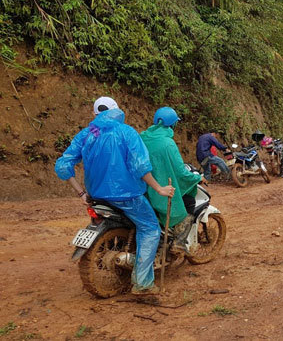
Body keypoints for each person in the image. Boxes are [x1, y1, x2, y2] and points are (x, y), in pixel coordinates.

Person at [55, 97, 175, 295]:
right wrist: (159, 189)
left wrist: (81, 192)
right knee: (150, 228)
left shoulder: (87, 134)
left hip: (97, 197)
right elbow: (140, 166)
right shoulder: (127, 132)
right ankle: (143, 284)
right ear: (117, 111)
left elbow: (63, 165)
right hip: (127, 196)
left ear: (94, 114)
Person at [141, 107, 206, 253]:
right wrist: (197, 177)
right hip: (161, 189)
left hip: (143, 187)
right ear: (173, 124)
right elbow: (181, 173)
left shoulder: (143, 137)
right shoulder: (168, 143)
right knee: (189, 201)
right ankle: (179, 241)